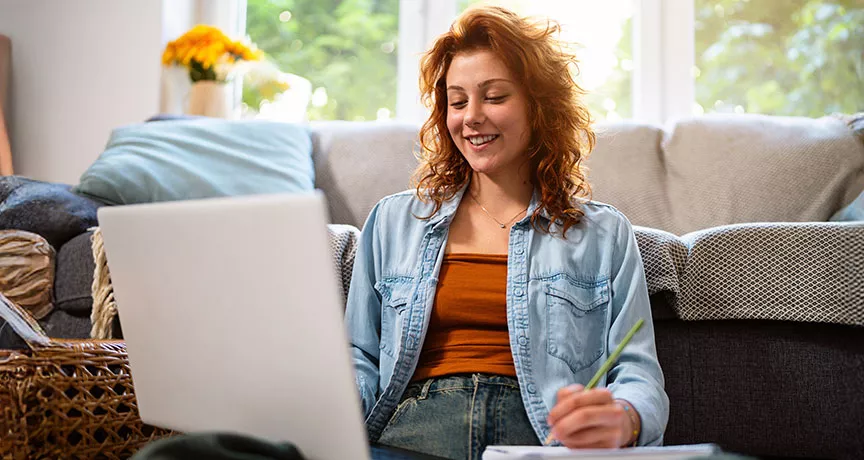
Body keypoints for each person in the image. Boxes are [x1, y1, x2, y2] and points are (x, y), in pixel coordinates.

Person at [344, 5, 668, 459]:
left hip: (541, 443)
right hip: (408, 438)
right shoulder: (392, 221)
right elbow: (358, 356)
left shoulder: (604, 233)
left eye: (494, 97)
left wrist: (625, 418)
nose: (471, 117)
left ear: (540, 106)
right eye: (458, 102)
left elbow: (638, 373)